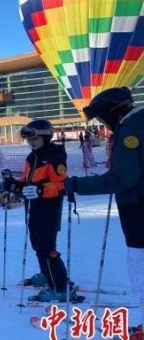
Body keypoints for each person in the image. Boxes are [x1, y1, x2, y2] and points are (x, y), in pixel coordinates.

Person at [64, 87, 144, 338]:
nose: (101, 122)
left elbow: (123, 178)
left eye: (101, 117)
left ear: (113, 111)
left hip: (138, 206)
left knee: (140, 264)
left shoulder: (131, 130)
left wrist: (76, 185)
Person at [18, 119, 82, 302]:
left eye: (34, 138)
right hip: (34, 207)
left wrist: (40, 190)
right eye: (28, 139)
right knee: (38, 244)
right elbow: (27, 179)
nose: (30, 142)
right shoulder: (33, 157)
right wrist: (14, 184)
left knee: (46, 246)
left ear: (45, 137)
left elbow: (62, 185)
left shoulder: (54, 156)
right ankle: (47, 274)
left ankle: (60, 287)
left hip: (49, 207)